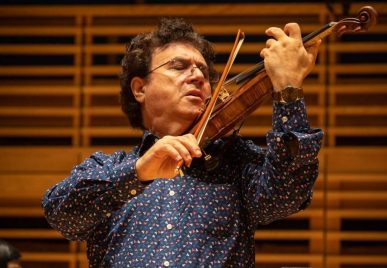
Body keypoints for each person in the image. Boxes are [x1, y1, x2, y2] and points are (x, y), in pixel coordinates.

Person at [42, 17, 323, 267]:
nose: (199, 76)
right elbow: (61, 215)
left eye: (203, 70)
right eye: (179, 66)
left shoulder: (235, 163)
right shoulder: (108, 167)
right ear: (140, 88)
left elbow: (287, 194)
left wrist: (288, 88)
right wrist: (137, 174)